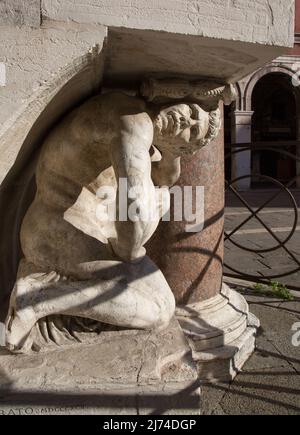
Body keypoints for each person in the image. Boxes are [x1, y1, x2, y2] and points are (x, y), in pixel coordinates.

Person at [5, 91, 220, 352]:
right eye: (192, 113)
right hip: (55, 231)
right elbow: (133, 228)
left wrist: (172, 151)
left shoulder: (135, 116)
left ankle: (41, 299)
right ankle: (37, 300)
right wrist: (133, 244)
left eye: (193, 132)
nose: (188, 122)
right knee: (157, 310)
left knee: (161, 304)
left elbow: (166, 177)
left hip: (84, 230)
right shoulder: (133, 123)